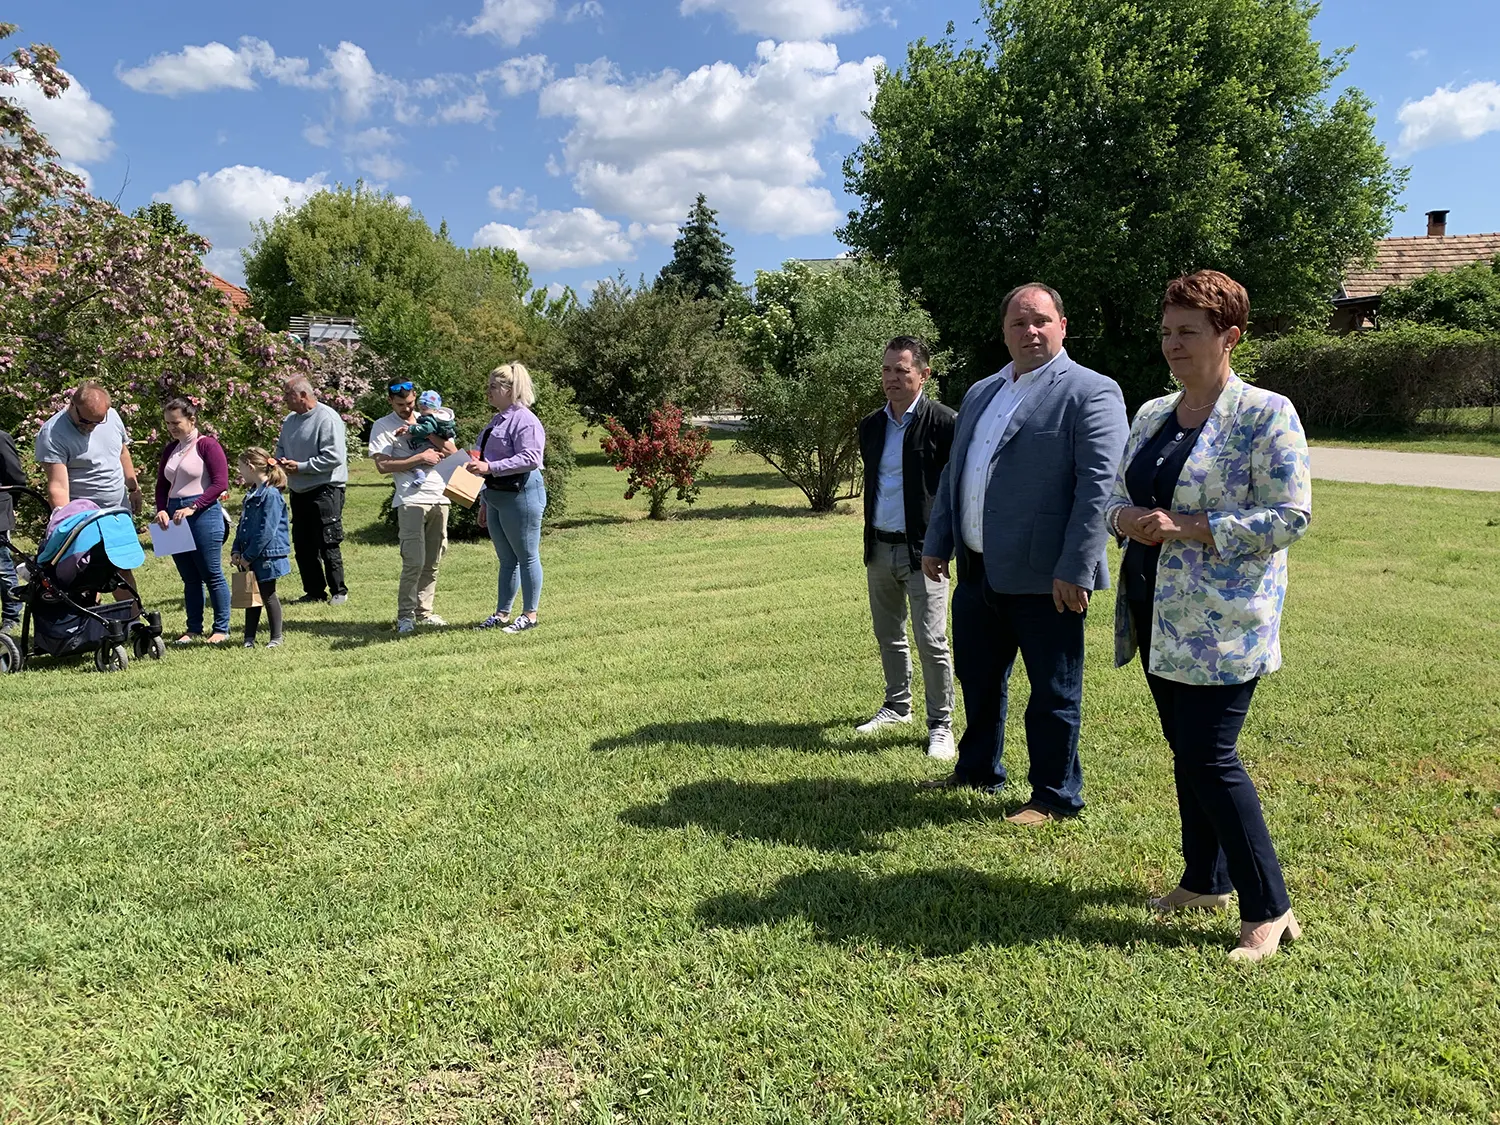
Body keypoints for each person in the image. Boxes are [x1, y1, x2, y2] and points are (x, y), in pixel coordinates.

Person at [1105, 270, 1311, 962]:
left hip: (1224, 623)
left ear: (1230, 336)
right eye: (1167, 331)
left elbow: (1290, 516)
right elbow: (1116, 496)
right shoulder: (1151, 414)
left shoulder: (1265, 413)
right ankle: (1204, 879)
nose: (1173, 344)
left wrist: (1189, 527)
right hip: (1155, 612)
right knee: (1186, 750)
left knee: (1210, 755)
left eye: (1188, 332)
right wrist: (1126, 518)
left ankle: (1269, 907)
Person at [921, 283, 1127, 825]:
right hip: (978, 570)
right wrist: (938, 540)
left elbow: (1098, 487)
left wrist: (1077, 567)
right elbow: (957, 471)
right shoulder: (981, 392)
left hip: (1047, 576)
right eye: (1018, 322)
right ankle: (977, 769)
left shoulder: (1091, 391)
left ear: (1063, 325)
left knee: (1053, 691)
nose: (1029, 331)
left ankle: (1055, 796)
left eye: (1040, 320)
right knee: (978, 679)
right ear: (1005, 331)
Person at [855, 336, 958, 759]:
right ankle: (897, 707)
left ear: (923, 374)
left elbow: (954, 488)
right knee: (888, 635)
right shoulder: (871, 426)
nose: (892, 378)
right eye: (886, 370)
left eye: (901, 370)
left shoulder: (945, 422)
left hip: (925, 553)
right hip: (880, 547)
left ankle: (941, 725)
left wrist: (944, 544)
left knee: (932, 640)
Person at [34, 381, 143, 600]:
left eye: (97, 421)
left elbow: (122, 452)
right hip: (85, 520)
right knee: (88, 574)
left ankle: (131, 619)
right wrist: (67, 528)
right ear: (72, 405)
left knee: (122, 569)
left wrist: (134, 488)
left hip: (117, 512)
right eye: (85, 421)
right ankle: (90, 619)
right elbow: (58, 486)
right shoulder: (52, 433)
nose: (91, 426)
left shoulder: (112, 417)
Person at [369, 380, 457, 635]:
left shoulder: (430, 418)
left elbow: (452, 451)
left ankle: (424, 612)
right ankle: (405, 616)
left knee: (433, 560)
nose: (406, 409)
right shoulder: (383, 426)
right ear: (390, 401)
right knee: (413, 562)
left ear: (416, 397)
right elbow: (383, 465)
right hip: (410, 499)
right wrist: (420, 457)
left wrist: (428, 434)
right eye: (400, 404)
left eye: (409, 403)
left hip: (440, 496)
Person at [468, 363, 546, 633]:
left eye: (493, 387)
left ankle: (530, 615)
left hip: (521, 494)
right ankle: (502, 614)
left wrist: (490, 467)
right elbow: (484, 459)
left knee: (527, 556)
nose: (488, 391)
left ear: (510, 389)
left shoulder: (525, 420)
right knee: (506, 559)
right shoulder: (497, 420)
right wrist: (484, 500)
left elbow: (531, 458)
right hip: (496, 496)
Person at [154, 398, 231, 645]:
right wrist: (162, 510)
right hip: (174, 514)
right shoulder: (170, 449)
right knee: (189, 577)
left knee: (211, 573)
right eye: (168, 423)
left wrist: (194, 506)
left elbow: (220, 483)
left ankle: (221, 628)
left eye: (176, 422)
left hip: (202, 512)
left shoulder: (207, 445)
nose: (171, 428)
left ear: (192, 420)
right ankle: (193, 628)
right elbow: (162, 485)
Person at [273, 377, 349, 605]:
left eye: (288, 395)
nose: (284, 399)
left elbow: (334, 457)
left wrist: (301, 467)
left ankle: (339, 591)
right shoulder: (290, 420)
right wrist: (281, 462)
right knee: (303, 544)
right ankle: (314, 592)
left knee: (327, 541)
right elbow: (281, 447)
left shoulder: (327, 418)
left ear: (303, 395)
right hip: (299, 490)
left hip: (326, 488)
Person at [230, 447, 291, 649]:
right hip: (249, 554)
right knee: (251, 596)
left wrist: (249, 555)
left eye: (240, 468)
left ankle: (276, 637)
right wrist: (236, 549)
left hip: (266, 556)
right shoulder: (251, 493)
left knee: (267, 594)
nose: (239, 472)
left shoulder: (271, 495)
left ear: (251, 467)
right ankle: (249, 638)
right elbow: (242, 525)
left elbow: (267, 530)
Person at [393, 390, 458, 483]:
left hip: (427, 446)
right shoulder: (440, 420)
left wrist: (411, 429)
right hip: (436, 453)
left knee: (414, 461)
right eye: (420, 409)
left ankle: (420, 475)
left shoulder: (429, 418)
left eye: (423, 409)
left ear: (434, 410)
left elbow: (427, 429)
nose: (421, 412)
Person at [0, 427, 24, 634]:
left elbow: (16, 478)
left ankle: (11, 616)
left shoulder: (1, 438)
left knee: (2, 569)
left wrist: (9, 505)